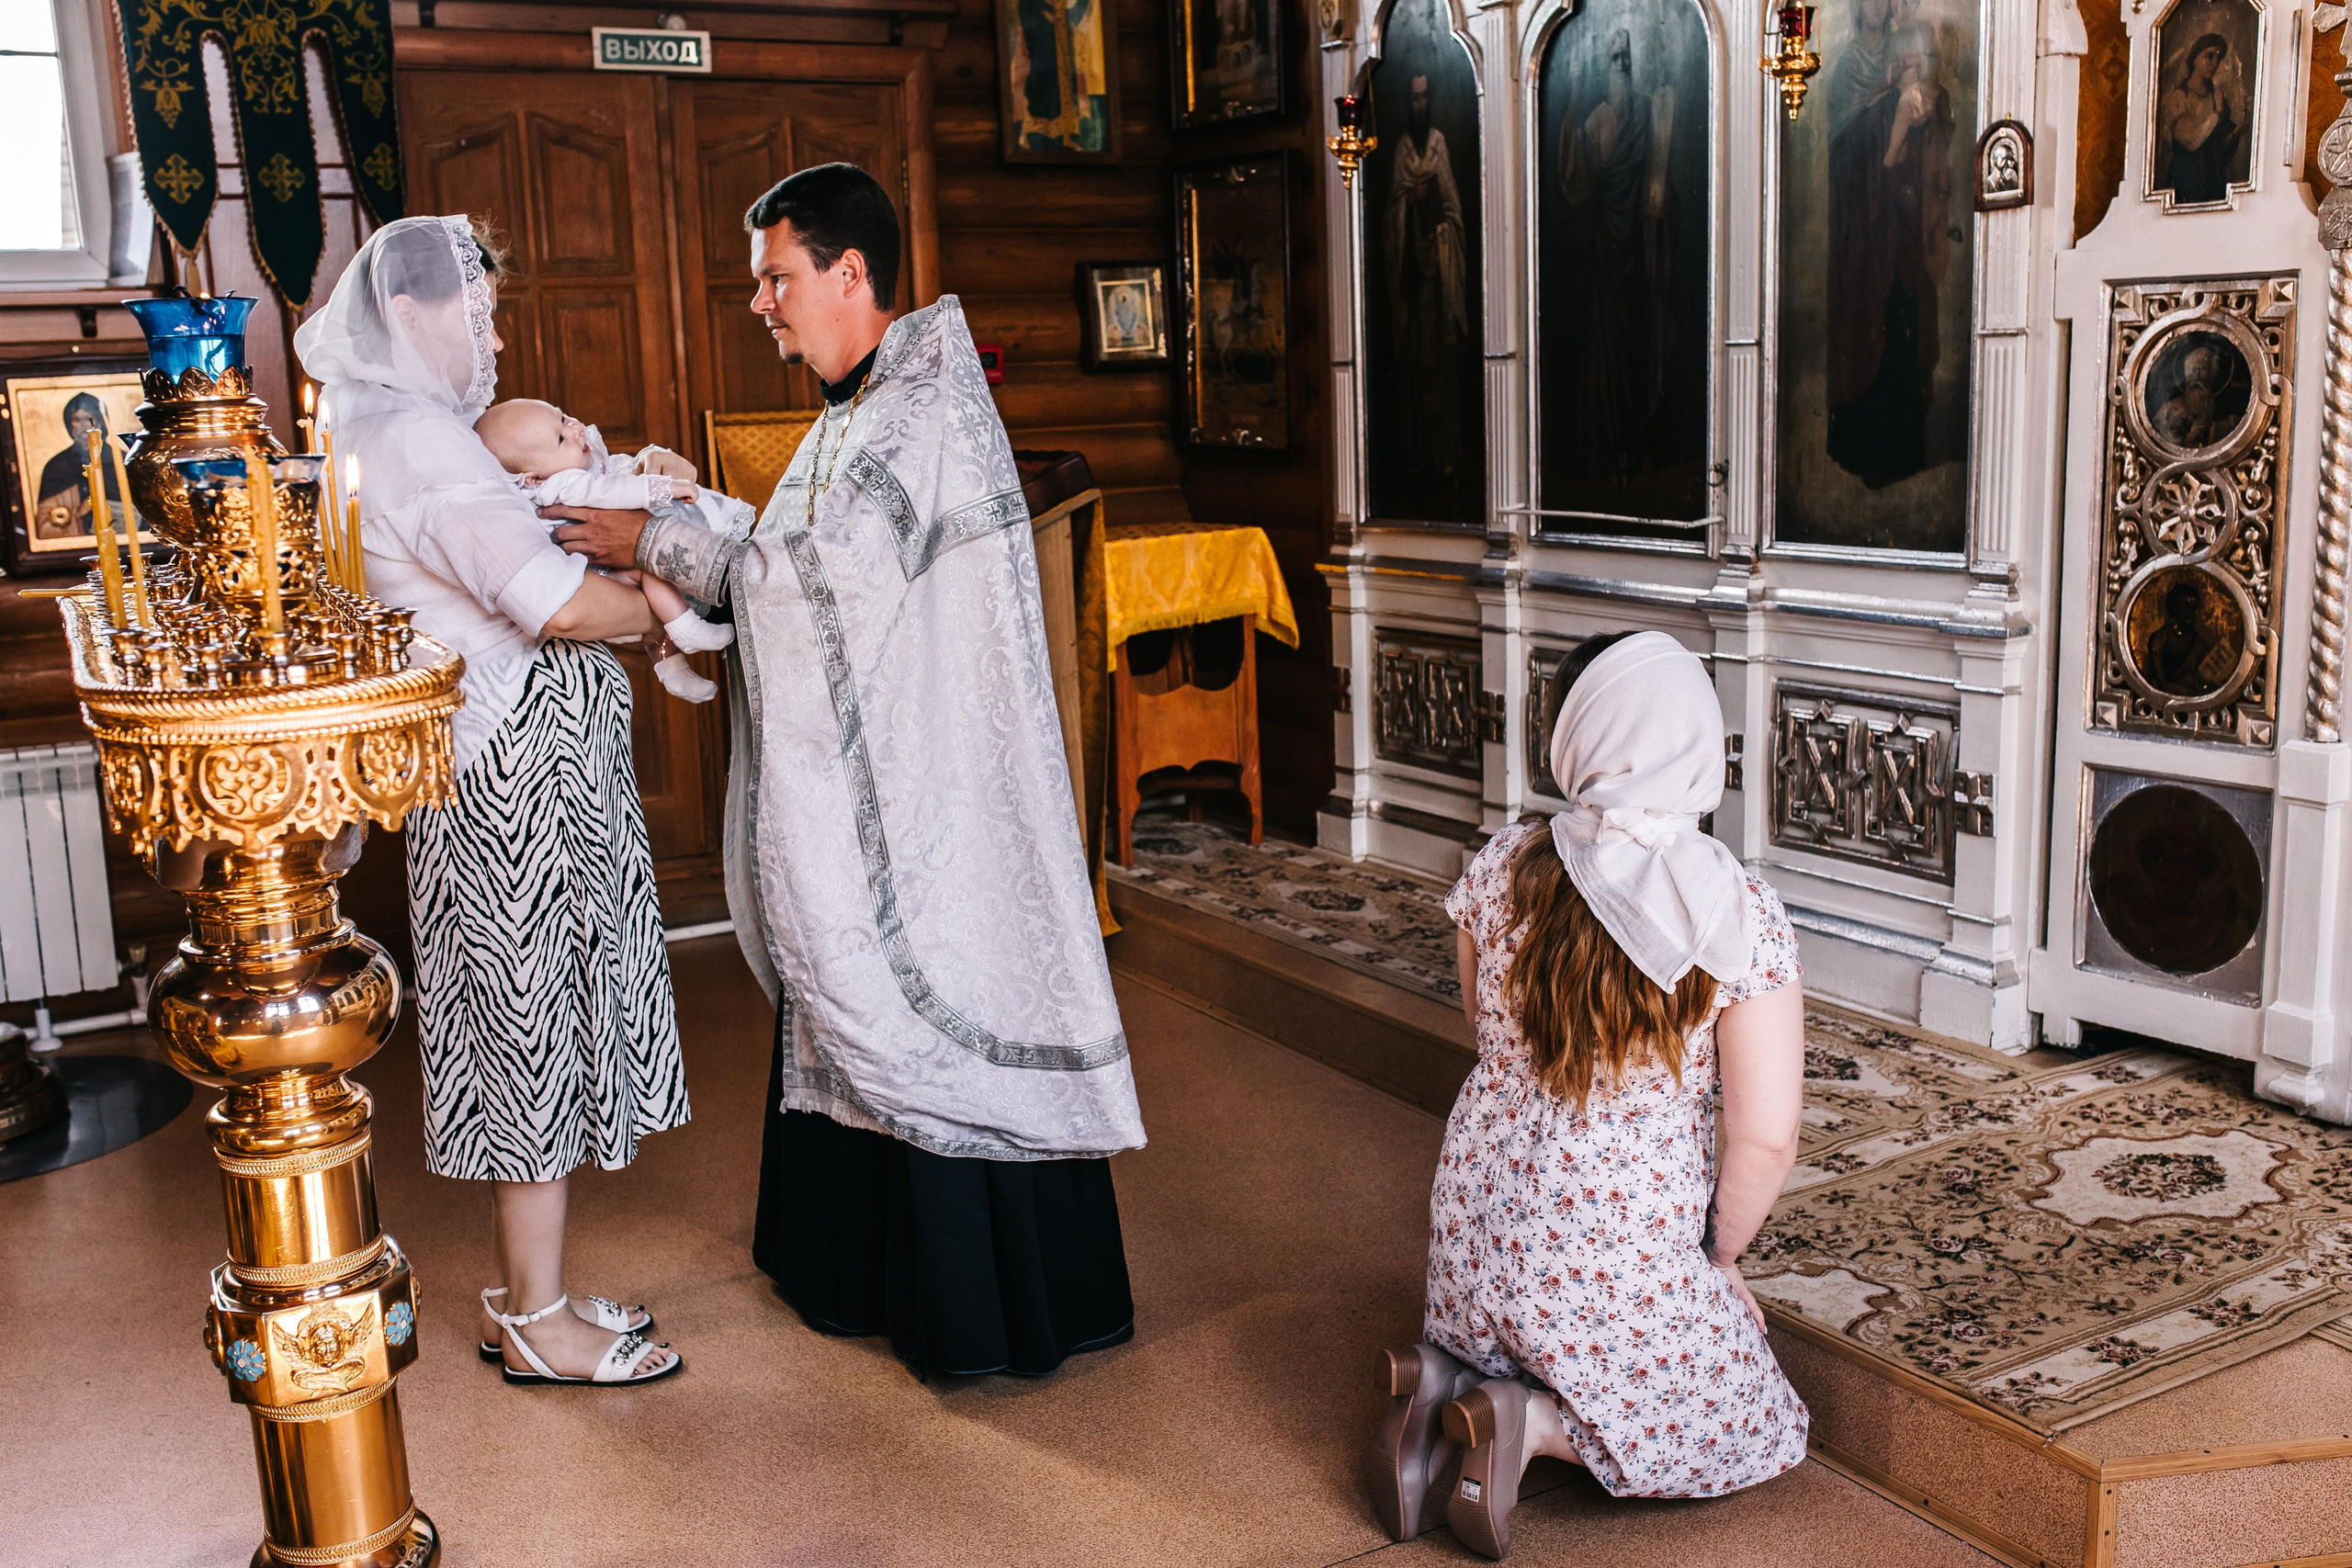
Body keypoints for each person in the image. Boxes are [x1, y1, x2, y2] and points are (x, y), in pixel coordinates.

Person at [551, 163, 1147, 1381]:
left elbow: (813, 586)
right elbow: (802, 559)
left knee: (918, 993)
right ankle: (852, 1268)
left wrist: (651, 538)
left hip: (933, 806)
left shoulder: (915, 413)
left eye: (777, 277)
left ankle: (974, 1308)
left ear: (849, 272)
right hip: (898, 784)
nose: (762, 303)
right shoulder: (863, 409)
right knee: (855, 990)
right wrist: (697, 514)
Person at [295, 215, 690, 1388]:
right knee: (531, 1024)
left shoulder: (363, 422)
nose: (496, 337)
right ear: (410, 314)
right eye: (479, 312)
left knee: (536, 1013)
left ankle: (535, 1290)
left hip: (498, 758)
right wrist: (683, 594)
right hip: (517, 767)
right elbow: (556, 606)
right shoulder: (418, 438)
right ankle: (538, 1318)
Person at [1374, 630, 1808, 1559]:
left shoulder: (1502, 862)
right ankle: (1520, 1425)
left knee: (1512, 1320)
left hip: (1470, 1239)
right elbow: (1764, 1137)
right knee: (1755, 1424)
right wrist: (1718, 1261)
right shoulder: (1734, 912)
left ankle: (1440, 1374)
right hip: (1602, 1245)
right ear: (1700, 743)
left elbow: (1482, 1031)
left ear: (1575, 742)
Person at [476, 396, 742, 702]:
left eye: (563, 418)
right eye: (561, 438)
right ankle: (685, 627)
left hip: (600, 567)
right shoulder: (565, 484)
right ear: (533, 477)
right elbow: (615, 491)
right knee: (649, 572)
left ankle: (673, 670)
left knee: (650, 596)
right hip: (603, 571)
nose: (575, 430)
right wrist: (667, 488)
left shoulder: (560, 472)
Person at [1826, 3, 1954, 488]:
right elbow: (1861, 158)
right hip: (1865, 232)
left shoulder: (1923, 103)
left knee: (1905, 331)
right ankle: (1866, 447)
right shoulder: (1856, 79)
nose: (1912, 67)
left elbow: (1927, 163)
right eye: (1907, 62)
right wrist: (1891, 123)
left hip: (1903, 241)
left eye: (1919, 60)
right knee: (1870, 328)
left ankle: (1903, 449)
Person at [1384, 67, 1472, 480]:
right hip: (1414, 283)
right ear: (1408, 103)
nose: (1419, 105)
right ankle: (1416, 456)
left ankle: (1448, 454)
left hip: (1439, 276)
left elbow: (1454, 210)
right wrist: (1408, 203)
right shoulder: (1402, 149)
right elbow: (1390, 217)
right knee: (1416, 371)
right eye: (1413, 98)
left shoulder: (1438, 144)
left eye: (1424, 97)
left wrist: (1441, 231)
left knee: (1445, 365)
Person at [2158, 33, 2243, 204]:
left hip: (2213, 183)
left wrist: (2239, 131)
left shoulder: (2216, 97)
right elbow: (2191, 142)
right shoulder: (2180, 98)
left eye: (2219, 58)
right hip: (2186, 182)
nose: (2214, 63)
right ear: (2195, 58)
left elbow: (2221, 149)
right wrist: (2216, 115)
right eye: (2209, 56)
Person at [33, 392, 124, 541]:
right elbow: (45, 522)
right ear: (70, 426)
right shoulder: (57, 466)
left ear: (100, 422)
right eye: (77, 420)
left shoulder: (121, 461)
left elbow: (143, 514)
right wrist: (78, 514)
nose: (83, 426)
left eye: (89, 419)